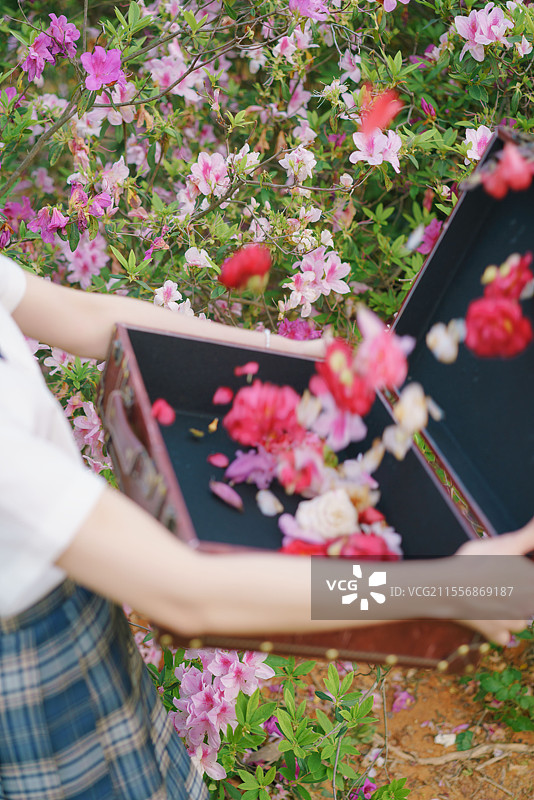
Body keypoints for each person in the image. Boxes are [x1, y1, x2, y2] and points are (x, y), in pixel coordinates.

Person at [1, 253, 533, 800]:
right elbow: (190, 594)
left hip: (75, 607)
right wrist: (450, 588)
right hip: (34, 676)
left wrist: (292, 353)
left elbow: (82, 313)